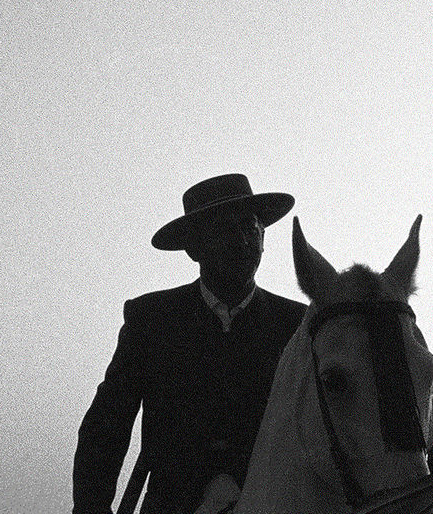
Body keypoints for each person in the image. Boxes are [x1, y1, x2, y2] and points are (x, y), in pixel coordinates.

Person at [73, 173, 306, 514]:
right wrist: (90, 509)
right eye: (224, 230)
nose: (242, 241)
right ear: (193, 248)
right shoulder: (151, 320)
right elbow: (107, 426)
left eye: (249, 226)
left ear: (263, 236)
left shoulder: (296, 325)